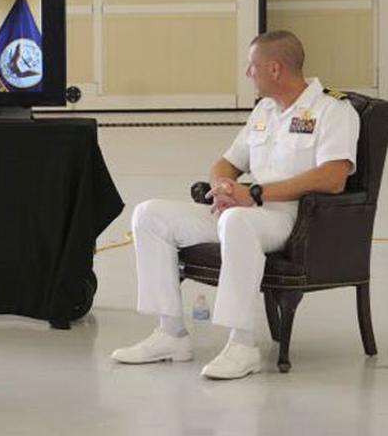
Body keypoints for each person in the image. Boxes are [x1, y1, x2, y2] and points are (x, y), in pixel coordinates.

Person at [111, 30, 359, 380]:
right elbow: (226, 163)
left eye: (251, 67)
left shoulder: (333, 110)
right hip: (244, 210)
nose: (247, 74)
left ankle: (242, 345)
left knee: (236, 223)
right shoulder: (265, 111)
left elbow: (334, 176)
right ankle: (170, 334)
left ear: (274, 69)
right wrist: (223, 187)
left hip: (291, 218)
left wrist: (256, 194)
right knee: (150, 214)